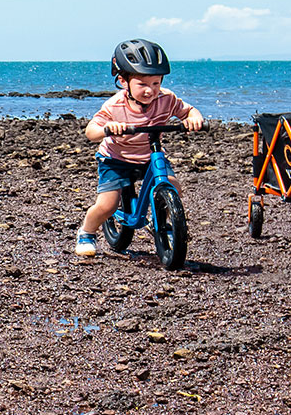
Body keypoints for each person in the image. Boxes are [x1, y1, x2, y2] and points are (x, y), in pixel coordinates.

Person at [75, 39, 204, 256]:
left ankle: (164, 224)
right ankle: (86, 232)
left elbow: (189, 111)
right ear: (123, 81)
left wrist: (195, 119)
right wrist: (108, 128)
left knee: (173, 186)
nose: (150, 91)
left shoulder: (167, 98)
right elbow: (91, 131)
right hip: (116, 159)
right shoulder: (115, 105)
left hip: (150, 156)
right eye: (142, 84)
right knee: (107, 205)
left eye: (156, 83)